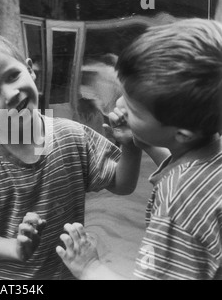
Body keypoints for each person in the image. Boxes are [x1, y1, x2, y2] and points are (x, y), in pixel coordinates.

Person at [0, 33, 143, 279]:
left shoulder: (72, 136)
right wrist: (16, 248)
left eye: (12, 76)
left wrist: (131, 146)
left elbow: (122, 184)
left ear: (30, 69)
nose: (9, 95)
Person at [57, 18, 222, 280]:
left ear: (182, 133)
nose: (120, 104)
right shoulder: (212, 155)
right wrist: (142, 142)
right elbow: (187, 170)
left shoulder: (177, 205)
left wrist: (89, 267)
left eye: (133, 108)